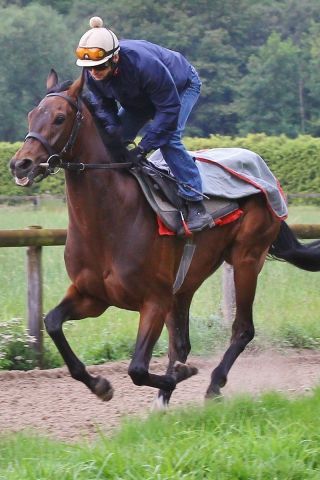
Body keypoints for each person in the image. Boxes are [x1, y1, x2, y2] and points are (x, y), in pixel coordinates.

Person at [75, 16, 213, 232]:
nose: (94, 72)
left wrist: (143, 147)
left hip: (180, 87)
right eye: (90, 67)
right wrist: (114, 136)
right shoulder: (92, 74)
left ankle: (196, 203)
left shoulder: (145, 65)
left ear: (115, 58)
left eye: (100, 66)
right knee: (112, 139)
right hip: (140, 97)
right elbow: (106, 109)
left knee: (169, 138)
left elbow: (168, 110)